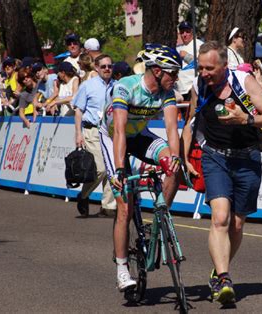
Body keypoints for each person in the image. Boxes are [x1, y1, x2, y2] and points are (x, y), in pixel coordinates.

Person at [182, 41, 262, 304]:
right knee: (220, 217)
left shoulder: (244, 82)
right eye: (201, 68)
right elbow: (190, 124)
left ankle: (218, 269)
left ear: (225, 66)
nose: (204, 73)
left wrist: (245, 119)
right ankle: (225, 278)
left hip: (247, 157)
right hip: (215, 157)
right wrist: (185, 157)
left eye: (210, 69)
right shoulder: (198, 85)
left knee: (237, 223)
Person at [99, 44, 182, 291]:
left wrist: (175, 157)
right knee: (124, 204)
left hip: (141, 136)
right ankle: (122, 269)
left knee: (173, 166)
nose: (176, 78)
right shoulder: (126, 86)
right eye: (173, 73)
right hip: (114, 137)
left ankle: (160, 216)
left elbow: (171, 129)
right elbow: (120, 131)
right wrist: (120, 170)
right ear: (157, 70)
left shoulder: (167, 91)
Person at [73, 54, 116, 218]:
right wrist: (78, 134)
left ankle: (108, 206)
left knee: (112, 169)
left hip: (111, 132)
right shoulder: (88, 86)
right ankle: (83, 195)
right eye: (103, 66)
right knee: (101, 168)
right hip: (92, 131)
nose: (107, 69)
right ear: (97, 68)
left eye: (109, 66)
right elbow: (78, 110)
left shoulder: (117, 86)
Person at [176, 21, 204, 99]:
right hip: (179, 90)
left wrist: (187, 56)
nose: (184, 35)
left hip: (192, 88)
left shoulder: (199, 45)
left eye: (187, 32)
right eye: (182, 32)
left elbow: (204, 66)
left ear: (192, 32)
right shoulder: (177, 48)